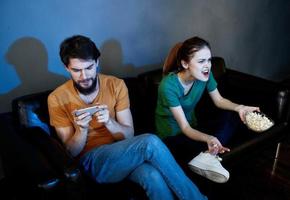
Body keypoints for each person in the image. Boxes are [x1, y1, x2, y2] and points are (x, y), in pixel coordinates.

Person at [47, 35, 207, 200]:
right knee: (149, 142)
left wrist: (109, 122)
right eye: (76, 70)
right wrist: (81, 130)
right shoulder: (57, 98)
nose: (84, 76)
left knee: (152, 176)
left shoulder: (116, 85)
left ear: (96, 63)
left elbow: (129, 135)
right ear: (66, 68)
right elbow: (70, 152)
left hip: (124, 153)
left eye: (88, 68)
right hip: (91, 161)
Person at [155, 36, 259, 183]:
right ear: (185, 63)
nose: (208, 66)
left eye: (209, 60)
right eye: (201, 61)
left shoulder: (205, 75)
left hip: (193, 128)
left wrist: (240, 107)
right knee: (202, 142)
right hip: (172, 137)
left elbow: (219, 100)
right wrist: (208, 138)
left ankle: (207, 156)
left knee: (234, 115)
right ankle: (207, 156)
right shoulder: (168, 86)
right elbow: (184, 127)